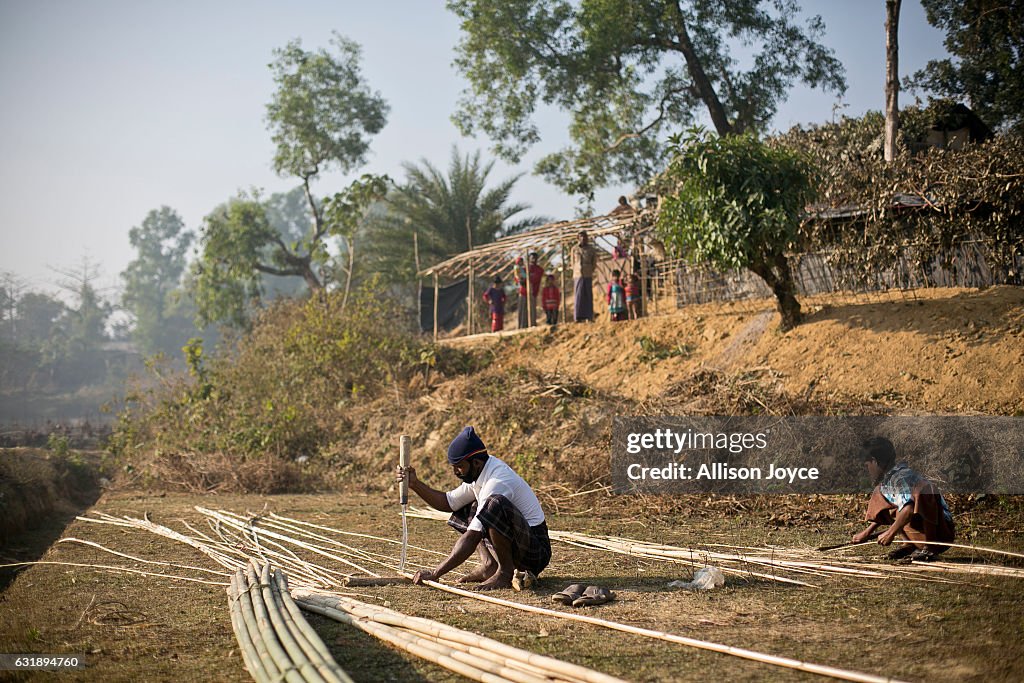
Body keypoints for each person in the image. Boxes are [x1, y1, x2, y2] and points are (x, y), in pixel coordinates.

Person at [397, 426, 551, 590]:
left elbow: (472, 536)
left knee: (494, 505)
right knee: (470, 507)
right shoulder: (479, 472)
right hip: (518, 545)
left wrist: (436, 573)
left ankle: (505, 573)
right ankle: (489, 565)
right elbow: (449, 502)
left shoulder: (498, 481)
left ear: (476, 463)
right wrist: (415, 484)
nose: (456, 472)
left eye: (459, 466)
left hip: (534, 553)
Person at [852, 436, 955, 561]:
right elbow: (890, 507)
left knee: (922, 491)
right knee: (879, 495)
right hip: (917, 533)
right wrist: (867, 532)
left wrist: (890, 533)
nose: (867, 470)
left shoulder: (901, 478)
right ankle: (909, 544)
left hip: (941, 532)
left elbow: (909, 509)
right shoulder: (887, 482)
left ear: (874, 461)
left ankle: (929, 547)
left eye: (867, 465)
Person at [571, 231, 598, 322]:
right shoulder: (574, 249)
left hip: (587, 275)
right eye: (581, 237)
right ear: (578, 238)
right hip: (578, 275)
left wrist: (589, 270)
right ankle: (577, 317)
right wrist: (576, 270)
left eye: (584, 237)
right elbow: (572, 262)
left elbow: (594, 263)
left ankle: (589, 317)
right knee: (578, 295)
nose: (583, 238)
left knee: (588, 296)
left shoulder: (591, 249)